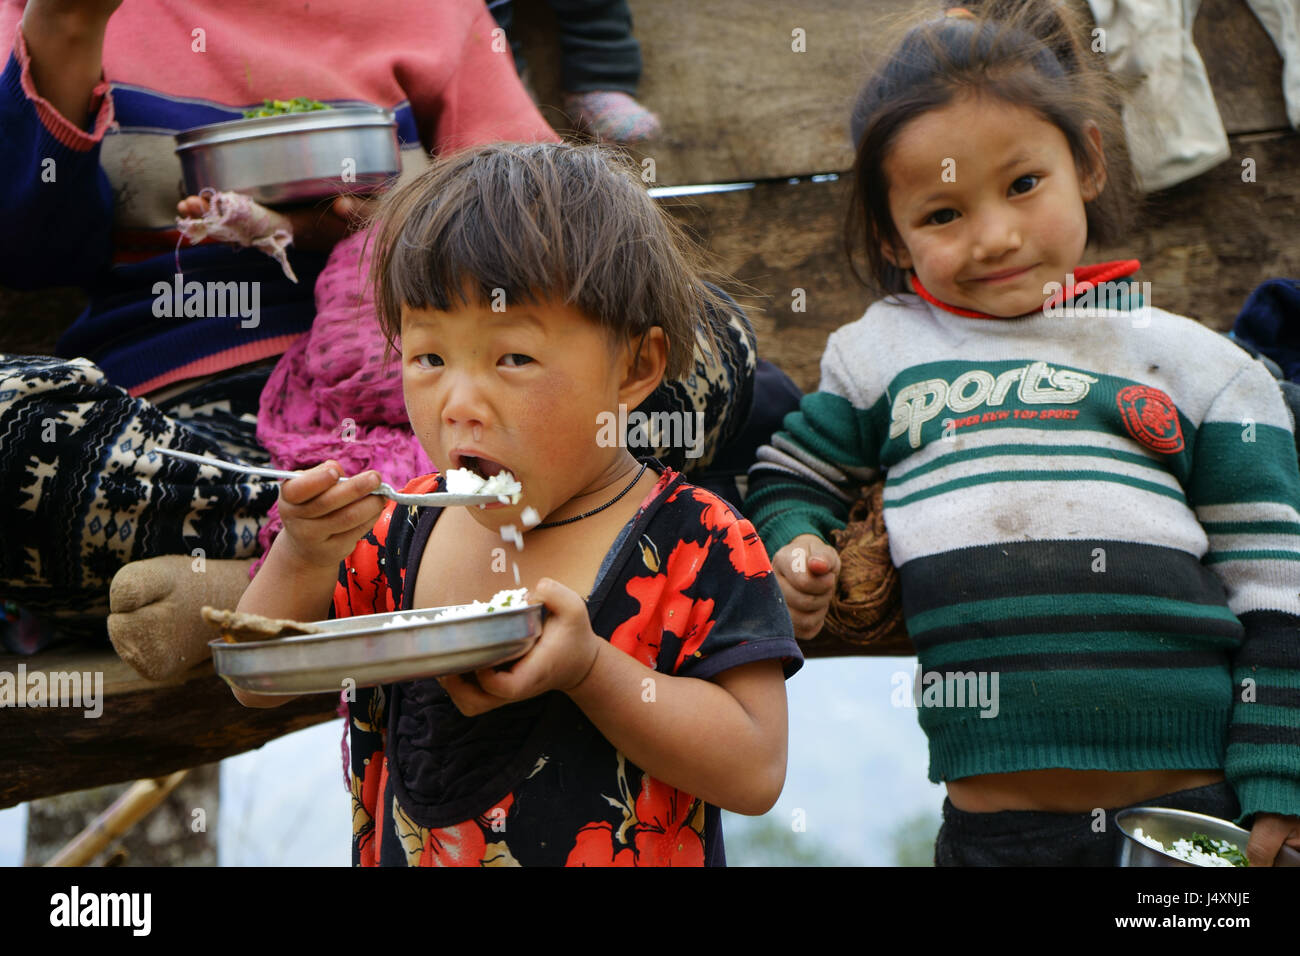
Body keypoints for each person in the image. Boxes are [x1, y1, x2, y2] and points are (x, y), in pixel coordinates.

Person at [744, 1, 1300, 866]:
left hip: (1194, 823)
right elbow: (789, 474)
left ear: (1087, 161)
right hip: (994, 833)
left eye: (1023, 184)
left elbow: (1275, 587)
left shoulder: (1202, 372)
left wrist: (1281, 781)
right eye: (941, 214)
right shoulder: (881, 357)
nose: (995, 237)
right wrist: (794, 552)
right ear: (893, 239)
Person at [230, 141, 803, 867]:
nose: (460, 405)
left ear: (635, 368)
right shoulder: (402, 525)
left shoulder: (697, 543)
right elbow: (256, 680)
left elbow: (754, 771)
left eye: (513, 359)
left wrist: (591, 670)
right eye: (430, 358)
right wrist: (304, 550)